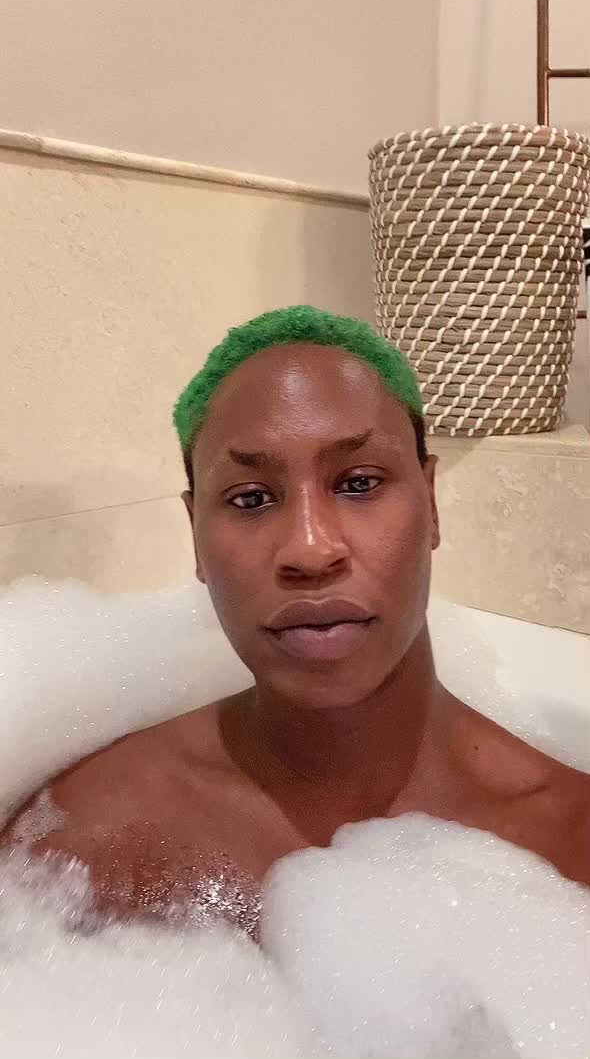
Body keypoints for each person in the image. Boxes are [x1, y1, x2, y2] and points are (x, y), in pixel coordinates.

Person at [3, 306, 589, 935]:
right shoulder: (77, 844)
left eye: (359, 484)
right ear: (196, 536)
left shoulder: (571, 839)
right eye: (251, 498)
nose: (310, 550)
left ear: (431, 503)